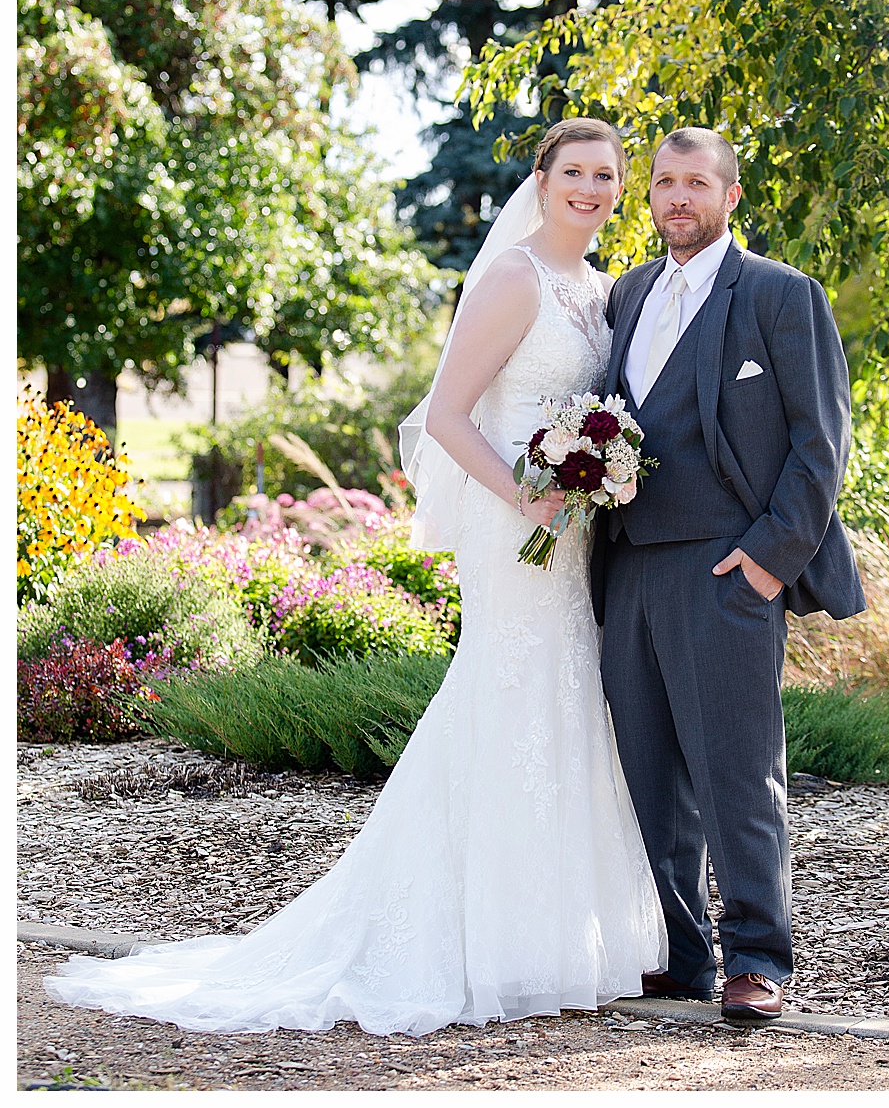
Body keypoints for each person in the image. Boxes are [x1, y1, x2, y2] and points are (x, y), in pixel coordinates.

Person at [45, 117, 665, 1035]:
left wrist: (593, 471)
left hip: (570, 535)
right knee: (509, 695)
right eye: (573, 170)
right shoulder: (511, 278)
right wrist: (525, 496)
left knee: (565, 700)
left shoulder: (599, 289)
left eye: (606, 175)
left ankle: (551, 937)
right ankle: (468, 938)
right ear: (540, 180)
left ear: (622, 190)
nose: (590, 187)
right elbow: (449, 418)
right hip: (518, 529)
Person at [593, 127, 865, 1025]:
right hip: (629, 567)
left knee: (738, 775)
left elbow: (820, 444)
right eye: (665, 182)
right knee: (650, 773)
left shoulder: (781, 296)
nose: (678, 197)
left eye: (696, 183)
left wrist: (766, 561)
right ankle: (682, 957)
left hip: (726, 569)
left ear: (730, 195)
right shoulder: (626, 295)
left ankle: (759, 956)